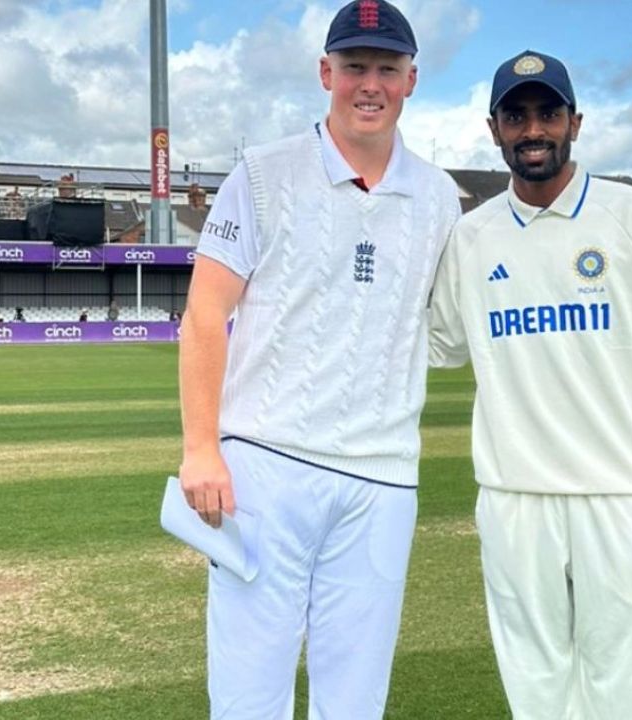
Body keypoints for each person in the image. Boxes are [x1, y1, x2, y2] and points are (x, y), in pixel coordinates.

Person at [176, 2, 460, 717]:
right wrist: (201, 449)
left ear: (412, 79)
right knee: (247, 689)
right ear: (325, 72)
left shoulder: (439, 197)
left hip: (382, 475)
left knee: (356, 696)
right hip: (267, 465)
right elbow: (205, 313)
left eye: (386, 69)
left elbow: (451, 328)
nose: (370, 84)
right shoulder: (265, 173)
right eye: (355, 67)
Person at [428, 49, 632, 719]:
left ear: (575, 122)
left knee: (627, 681)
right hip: (512, 497)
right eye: (517, 116)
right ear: (494, 127)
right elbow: (435, 346)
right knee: (534, 680)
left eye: (548, 113)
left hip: (618, 495)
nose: (533, 130)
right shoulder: (471, 237)